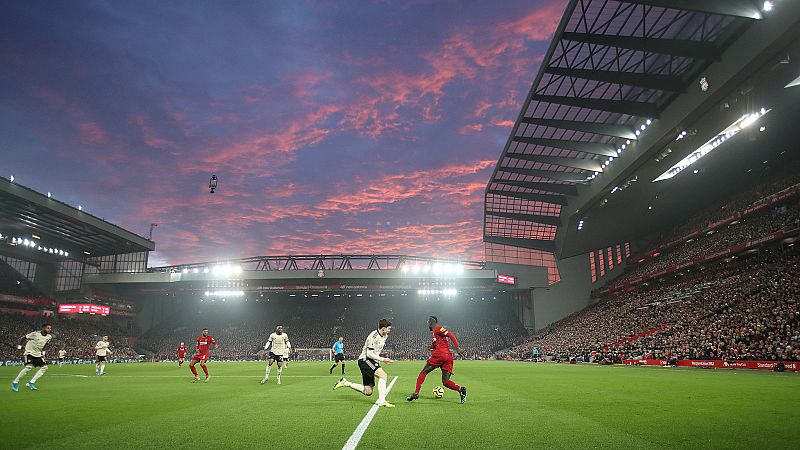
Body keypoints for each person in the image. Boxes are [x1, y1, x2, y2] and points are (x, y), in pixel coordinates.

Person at [333, 319, 395, 407]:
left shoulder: (385, 336)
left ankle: (345, 382)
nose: (389, 330)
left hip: (372, 361)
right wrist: (383, 359)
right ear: (383, 328)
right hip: (365, 360)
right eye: (388, 329)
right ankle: (381, 401)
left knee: (368, 392)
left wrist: (379, 360)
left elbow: (376, 351)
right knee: (383, 375)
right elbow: (369, 354)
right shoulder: (373, 336)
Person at [406, 316, 467, 403]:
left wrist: (457, 347)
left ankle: (416, 393)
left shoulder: (438, 328)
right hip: (448, 357)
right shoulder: (435, 333)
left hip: (440, 355)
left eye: (428, 322)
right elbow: (437, 343)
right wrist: (431, 346)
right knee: (445, 382)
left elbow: (450, 334)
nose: (428, 324)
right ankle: (461, 389)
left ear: (431, 322)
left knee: (423, 372)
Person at [12, 323, 53, 392]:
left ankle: (31, 382)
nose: (49, 329)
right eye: (48, 328)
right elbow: (23, 338)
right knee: (28, 367)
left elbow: (45, 345)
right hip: (29, 352)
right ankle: (15, 382)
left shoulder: (49, 337)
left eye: (50, 328)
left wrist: (43, 354)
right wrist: (19, 349)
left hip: (38, 354)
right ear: (43, 328)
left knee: (44, 367)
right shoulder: (35, 334)